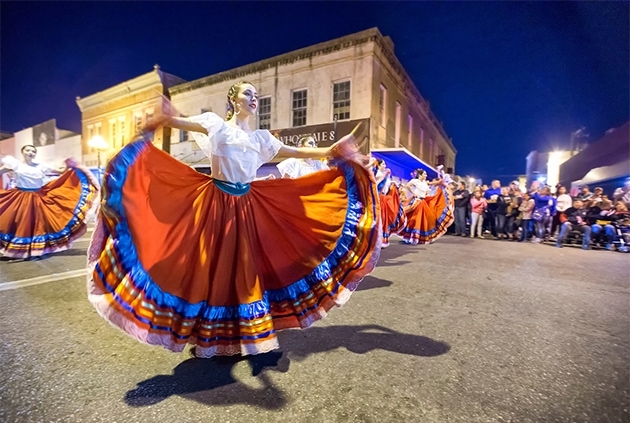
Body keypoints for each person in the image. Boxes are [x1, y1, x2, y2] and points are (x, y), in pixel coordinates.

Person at [86, 81, 381, 359]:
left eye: (256, 96)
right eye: (247, 94)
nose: (254, 99)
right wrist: (165, 116)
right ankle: (209, 336)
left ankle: (239, 334)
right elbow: (175, 122)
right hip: (215, 204)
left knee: (245, 271)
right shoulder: (216, 126)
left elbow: (313, 152)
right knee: (212, 270)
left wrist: (338, 151)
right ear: (233, 100)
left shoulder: (262, 139)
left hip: (249, 206)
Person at [0, 145, 99, 258]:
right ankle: (21, 247)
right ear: (22, 152)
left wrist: (69, 164)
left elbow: (61, 172)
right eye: (28, 150)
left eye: (33, 151)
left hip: (38, 198)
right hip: (20, 197)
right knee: (19, 222)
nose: (30, 153)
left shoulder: (41, 166)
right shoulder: (15, 164)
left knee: (37, 224)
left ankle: (34, 248)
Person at [399, 168, 453, 244]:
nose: (426, 175)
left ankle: (418, 237)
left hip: (423, 202)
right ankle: (410, 236)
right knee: (413, 219)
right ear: (420, 175)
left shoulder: (425, 183)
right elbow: (407, 185)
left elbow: (429, 188)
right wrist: (413, 193)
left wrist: (440, 183)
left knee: (424, 220)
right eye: (424, 174)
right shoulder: (415, 181)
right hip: (416, 201)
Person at [371, 158, 406, 247]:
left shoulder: (384, 175)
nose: (385, 166)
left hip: (384, 198)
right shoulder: (378, 174)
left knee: (383, 219)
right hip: (379, 198)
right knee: (380, 219)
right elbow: (375, 185)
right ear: (378, 165)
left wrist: (395, 184)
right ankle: (376, 240)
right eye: (383, 164)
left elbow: (388, 185)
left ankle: (381, 240)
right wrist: (384, 176)